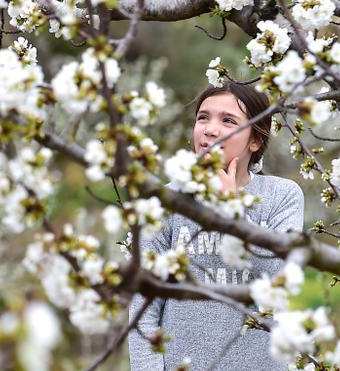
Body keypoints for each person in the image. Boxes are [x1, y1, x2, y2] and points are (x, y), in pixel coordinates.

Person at [128, 81, 305, 370]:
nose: (209, 129)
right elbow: (143, 304)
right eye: (202, 118)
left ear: (255, 140)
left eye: (228, 120)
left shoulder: (281, 196)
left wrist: (230, 208)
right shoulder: (166, 201)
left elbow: (279, 280)